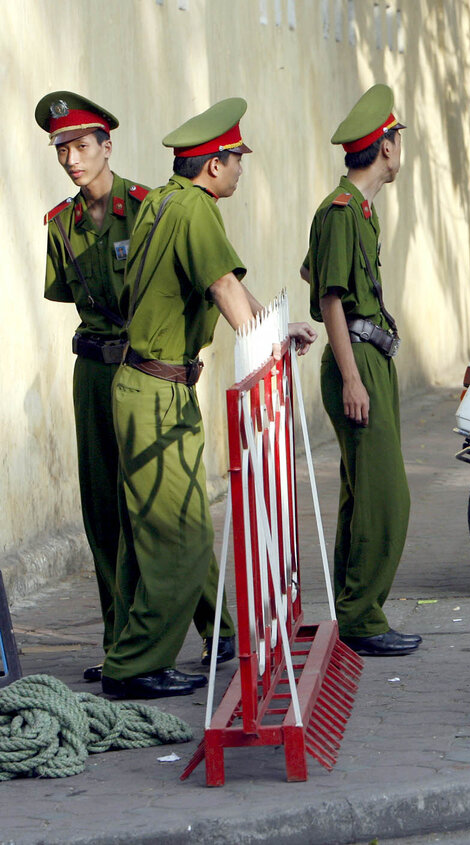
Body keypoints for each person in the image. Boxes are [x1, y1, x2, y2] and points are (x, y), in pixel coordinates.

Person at [101, 99, 317, 699]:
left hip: (149, 386)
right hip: (157, 392)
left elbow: (225, 284)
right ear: (214, 164)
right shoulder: (195, 207)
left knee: (156, 530)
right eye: (237, 159)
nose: (241, 169)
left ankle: (161, 646)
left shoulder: (165, 200)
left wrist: (276, 330)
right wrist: (267, 355)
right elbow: (222, 286)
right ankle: (135, 667)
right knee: (181, 538)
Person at [36, 91, 234, 684]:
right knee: (105, 509)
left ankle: (218, 628)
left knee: (165, 509)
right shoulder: (60, 225)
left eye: (81, 146)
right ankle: (120, 640)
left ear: (107, 146)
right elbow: (71, 297)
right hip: (94, 372)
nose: (71, 159)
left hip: (145, 369)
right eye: (61, 149)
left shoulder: (149, 207)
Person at [301, 85, 419, 658]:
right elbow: (327, 295)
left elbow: (313, 271)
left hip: (370, 354)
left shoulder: (356, 210)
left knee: (364, 494)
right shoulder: (342, 211)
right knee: (386, 498)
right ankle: (362, 617)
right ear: (387, 147)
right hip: (357, 359)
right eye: (398, 141)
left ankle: (354, 611)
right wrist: (351, 377)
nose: (399, 151)